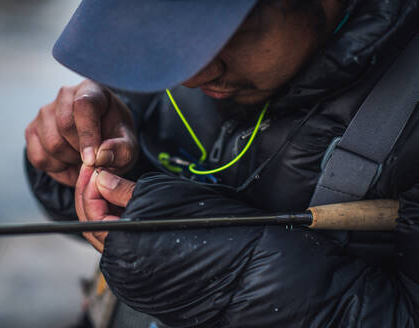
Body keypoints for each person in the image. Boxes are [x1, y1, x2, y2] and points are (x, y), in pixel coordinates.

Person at [25, 0, 419, 326]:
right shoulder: (180, 62)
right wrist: (76, 161)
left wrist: (225, 277)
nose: (194, 75)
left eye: (233, 31)